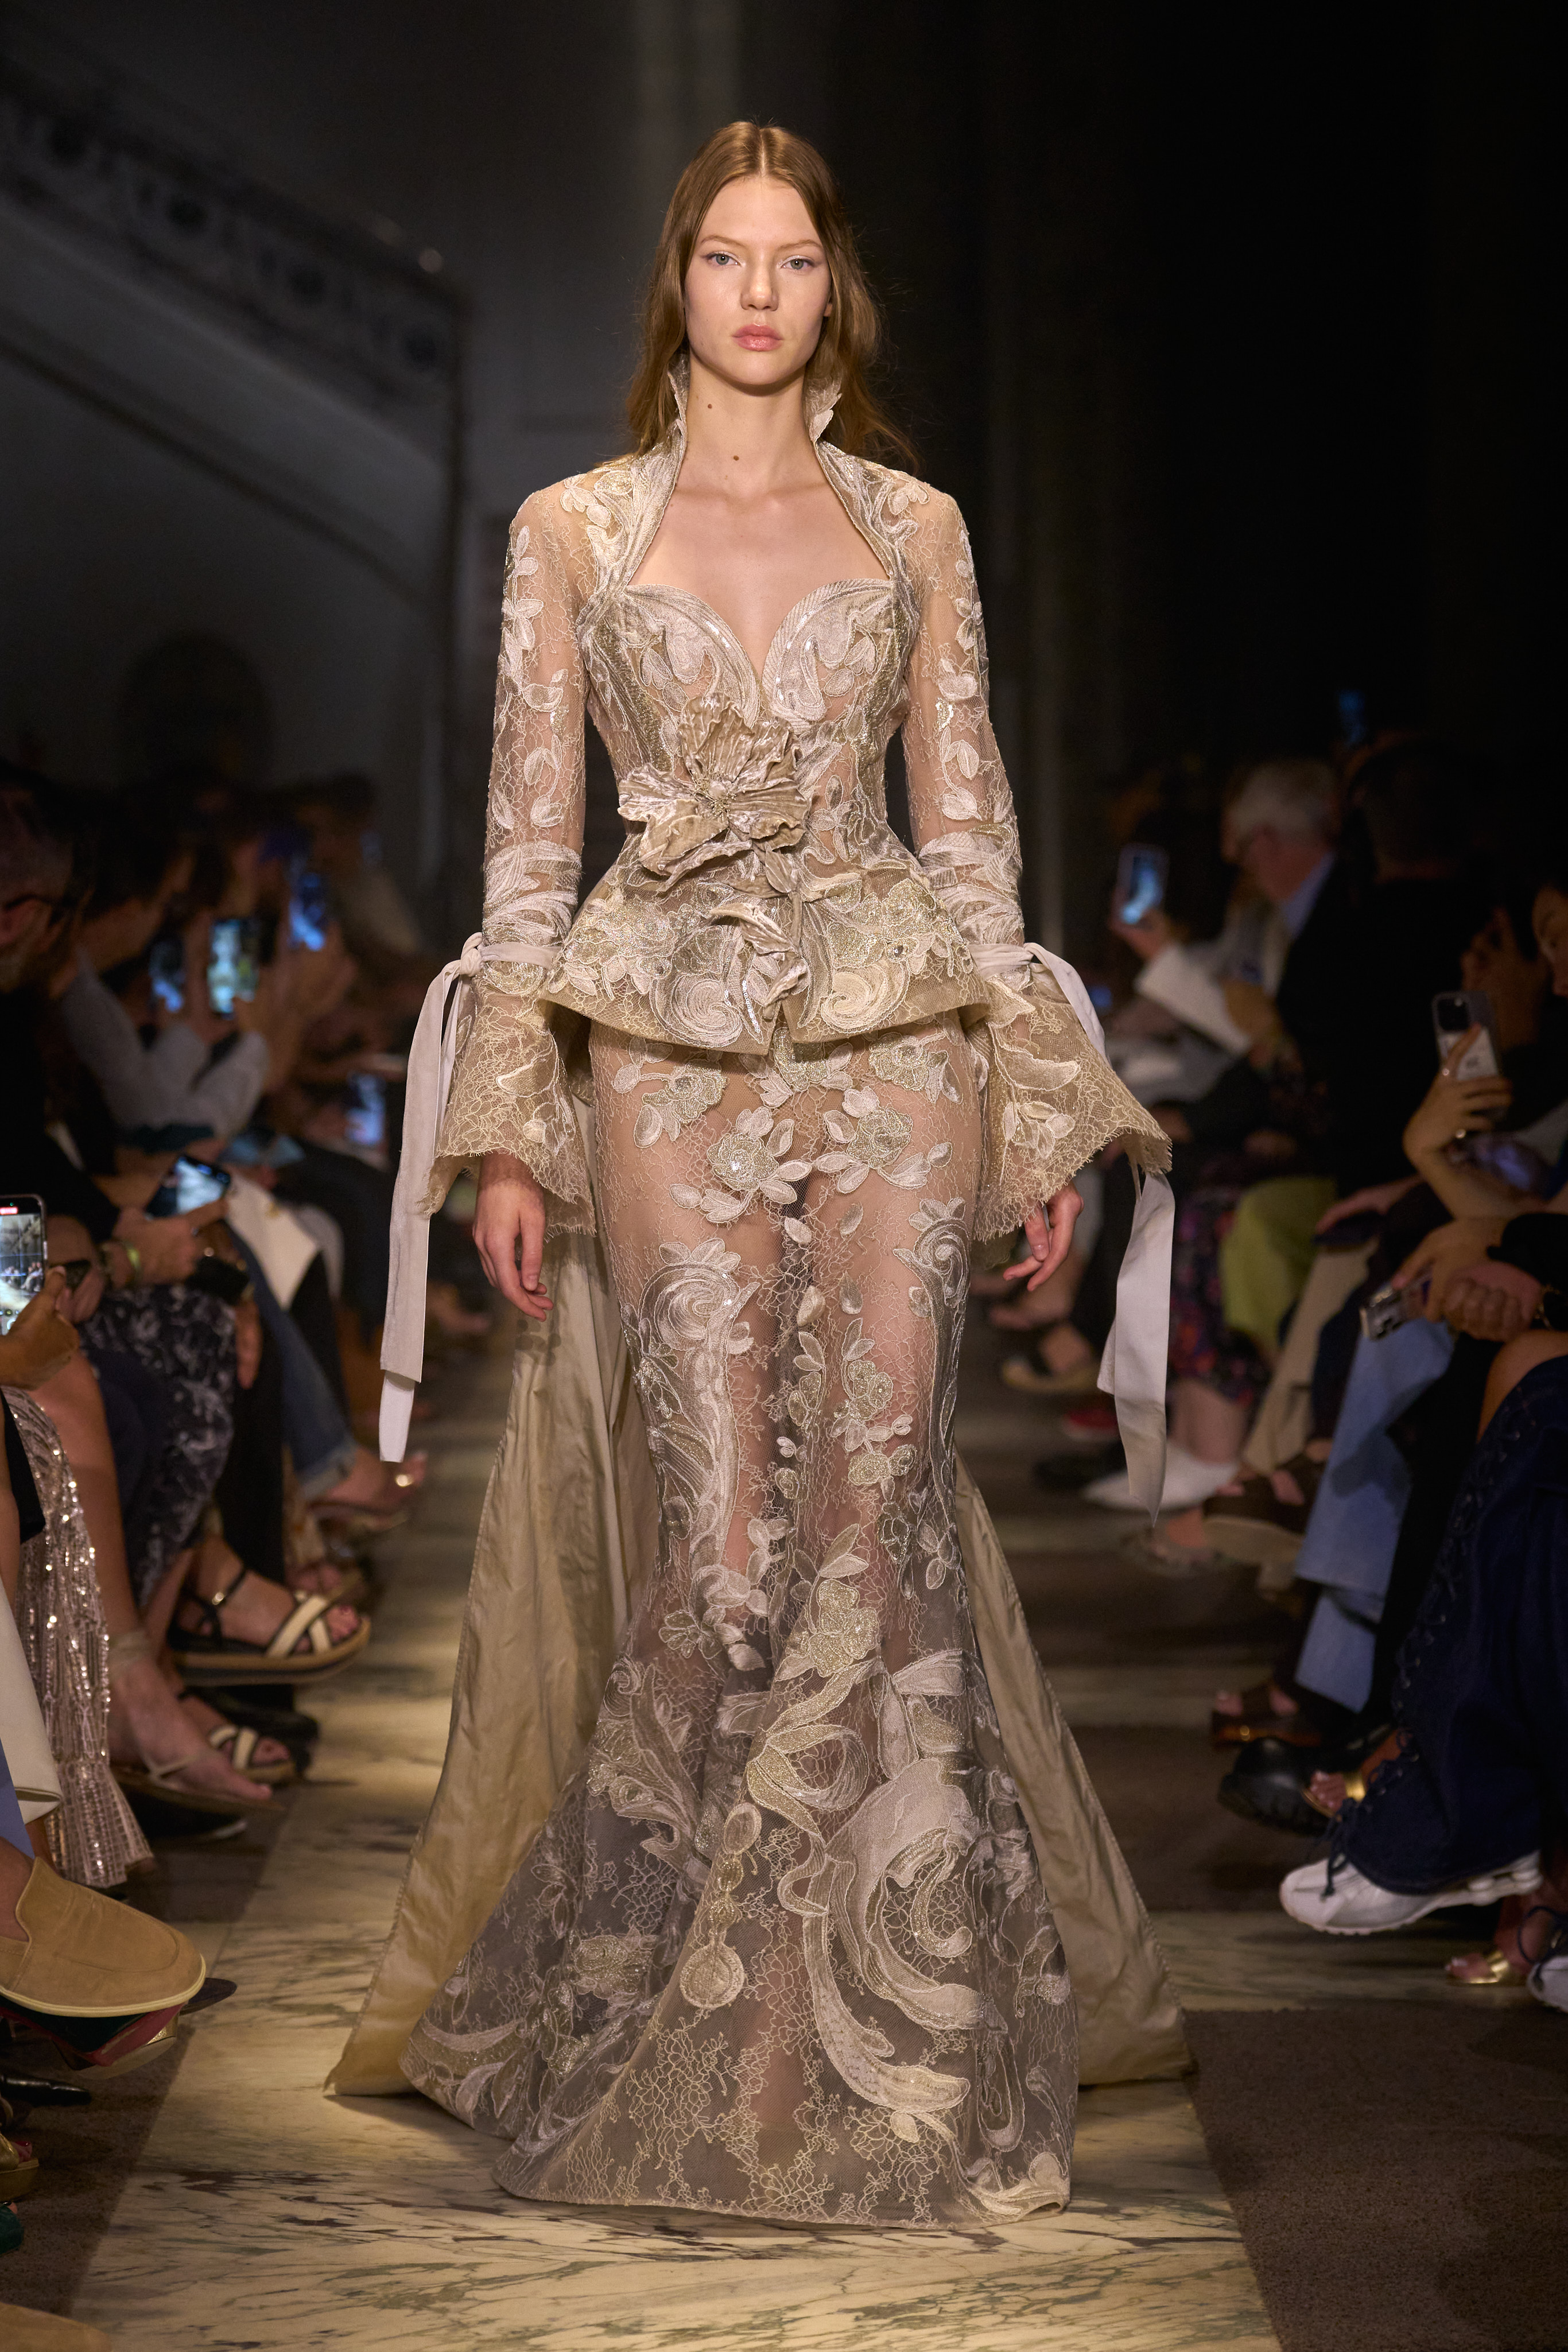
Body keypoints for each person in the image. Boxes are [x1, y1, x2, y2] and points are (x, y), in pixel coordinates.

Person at [333, 122, 1186, 2225]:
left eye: (793, 261)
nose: (758, 295)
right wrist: (509, 1126)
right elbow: (526, 850)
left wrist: (1032, 1101)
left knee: (874, 1521)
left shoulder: (914, 523)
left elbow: (967, 832)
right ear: (679, 281)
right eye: (726, 258)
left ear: (834, 290)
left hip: (896, 1041)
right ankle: (663, 1996)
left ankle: (856, 2043)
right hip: (662, 1054)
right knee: (720, 1560)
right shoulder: (568, 527)